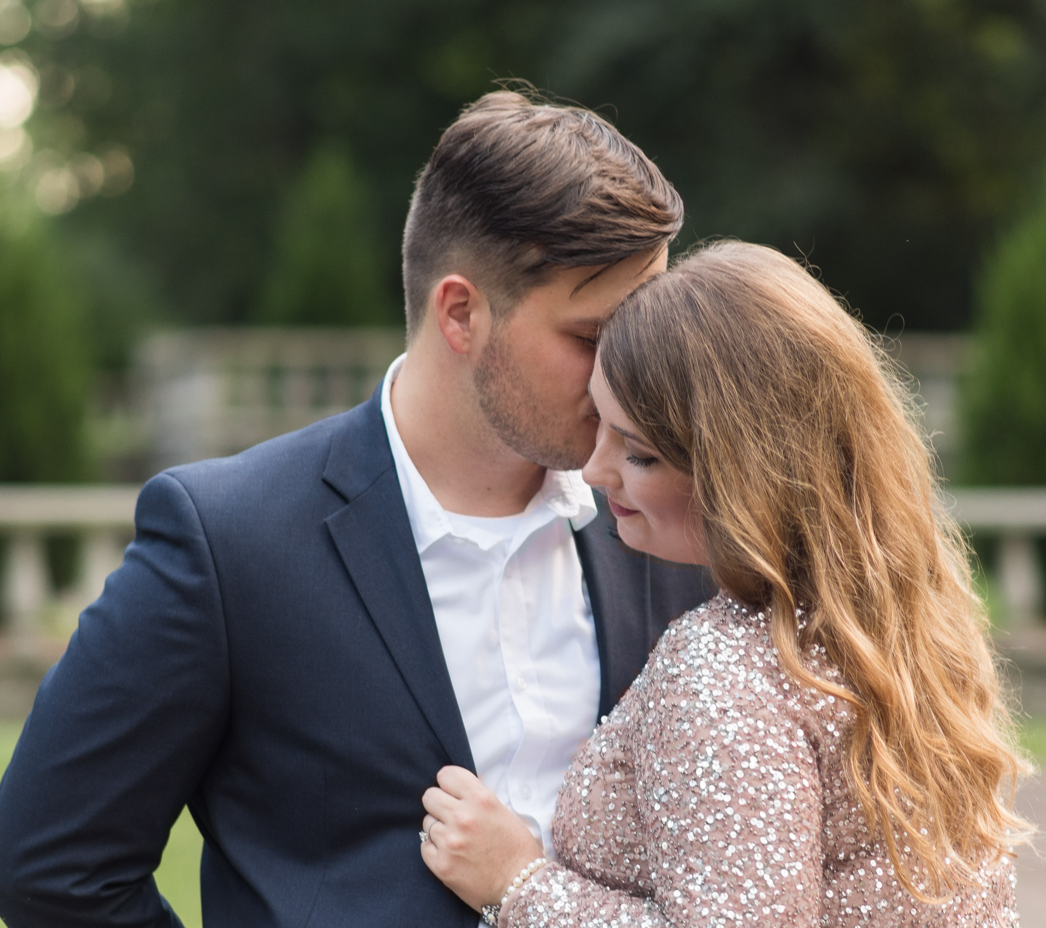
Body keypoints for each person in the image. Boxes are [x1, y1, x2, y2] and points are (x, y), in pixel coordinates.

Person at [0, 91, 718, 927]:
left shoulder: (676, 522)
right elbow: (46, 863)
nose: (635, 372)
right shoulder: (231, 538)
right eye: (594, 336)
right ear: (462, 313)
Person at [419, 242, 1032, 927]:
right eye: (599, 425)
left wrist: (520, 882)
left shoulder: (724, 668)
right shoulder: (903, 624)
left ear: (745, 470)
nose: (595, 470)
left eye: (639, 452)